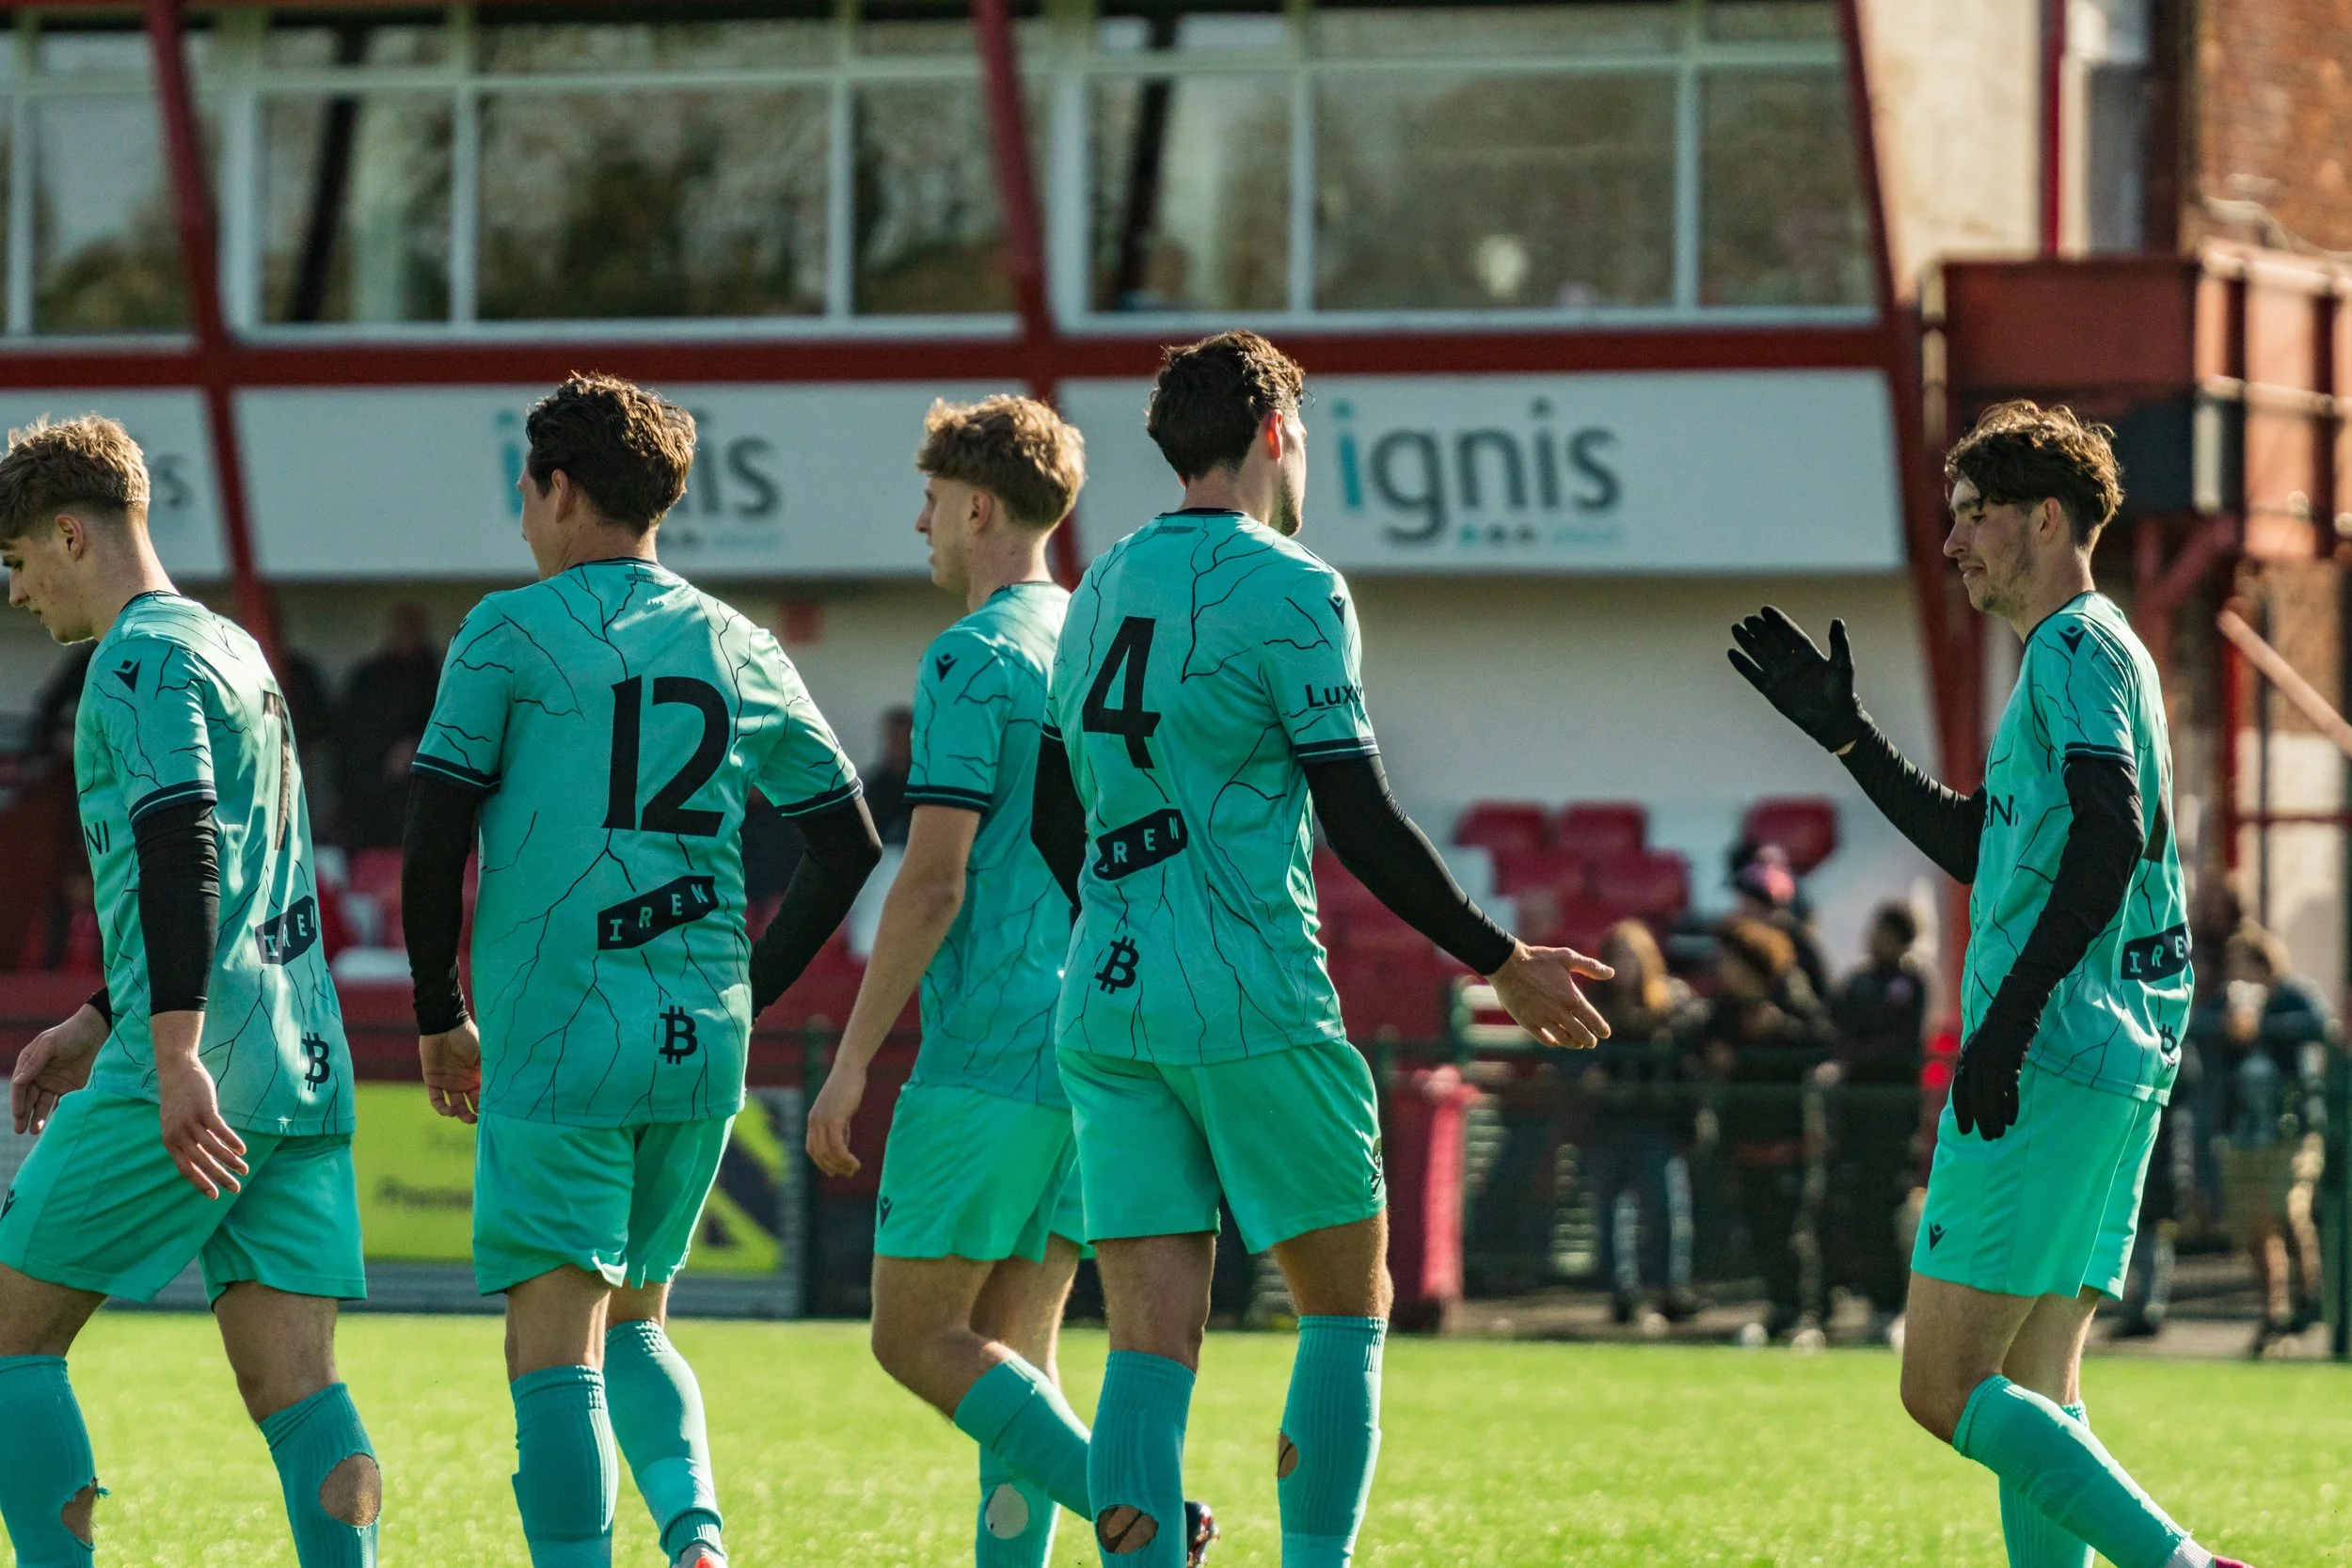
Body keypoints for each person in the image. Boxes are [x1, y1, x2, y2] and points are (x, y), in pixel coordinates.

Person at [1031, 330, 1613, 1567]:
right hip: (1249, 989)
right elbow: (1357, 809)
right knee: (1348, 1302)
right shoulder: (1293, 584)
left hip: (1106, 997)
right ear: (1275, 434)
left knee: (1148, 1335)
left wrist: (1118, 912)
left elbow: (1047, 803)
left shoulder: (1098, 582)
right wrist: (1500, 954)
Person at [1730, 399, 2249, 1568]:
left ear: (2044, 518)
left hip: (2055, 1048)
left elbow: (2106, 838)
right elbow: (1991, 843)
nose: (1954, 542)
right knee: (2032, 1385)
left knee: (1940, 1381)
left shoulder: (2069, 646)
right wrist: (1852, 737)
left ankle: (2179, 1564)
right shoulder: (2101, 647)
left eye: (1973, 515)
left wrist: (2004, 1022)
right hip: (2115, 1051)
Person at [401, 374, 881, 1568]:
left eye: (528, 488)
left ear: (560, 490)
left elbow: (434, 832)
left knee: (552, 1349)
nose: (523, 514)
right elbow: (847, 836)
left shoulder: (505, 632)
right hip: (694, 1040)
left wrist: (436, 1009)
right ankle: (698, 1540)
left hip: (561, 1028)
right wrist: (746, 991)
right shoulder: (735, 638)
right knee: (642, 1324)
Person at [803, 395, 1216, 1567]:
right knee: (1013, 1352)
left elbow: (930, 883)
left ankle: (1143, 1512)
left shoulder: (973, 655)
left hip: (991, 1042)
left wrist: (848, 1063)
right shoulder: (1100, 643)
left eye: (931, 501)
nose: (919, 522)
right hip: (1103, 1034)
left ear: (977, 504)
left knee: (912, 1334)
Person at [0, 415, 380, 1566]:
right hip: (301, 1060)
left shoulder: (133, 659)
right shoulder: (233, 647)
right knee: (298, 1385)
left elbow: (182, 851)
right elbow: (241, 859)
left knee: (11, 1343)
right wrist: (98, 1015)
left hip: (200, 1062)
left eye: (16, 559)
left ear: (71, 533)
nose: (15, 590)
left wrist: (164, 1052)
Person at [2194, 927, 2332, 1352]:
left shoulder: (2292, 996)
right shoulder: (2226, 1003)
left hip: (2289, 1129)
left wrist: (2262, 1028)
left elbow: (2319, 1026)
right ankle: (2274, 1312)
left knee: (2284, 1209)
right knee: (2253, 1227)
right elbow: (2194, 1025)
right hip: (2241, 1134)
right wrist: (2227, 1028)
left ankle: (2310, 1296)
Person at [1703, 914, 1834, 1340]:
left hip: (1792, 1132)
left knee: (1794, 1228)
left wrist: (1780, 1028)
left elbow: (1822, 1040)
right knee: (1761, 1226)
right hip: (1746, 1133)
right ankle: (1779, 1307)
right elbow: (1698, 1039)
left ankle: (1806, 1313)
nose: (1721, 967)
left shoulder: (1790, 995)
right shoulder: (1724, 1009)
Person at [1579, 918, 1702, 1325]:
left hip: (1657, 1119)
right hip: (1610, 1120)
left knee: (1666, 1209)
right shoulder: (1597, 1003)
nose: (1626, 967)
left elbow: (1693, 1045)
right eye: (1618, 957)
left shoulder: (1671, 1002)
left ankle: (1671, 1290)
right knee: (1611, 1213)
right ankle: (1621, 1294)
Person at [1826, 900, 1930, 1326]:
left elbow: (1907, 1043)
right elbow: (1835, 1029)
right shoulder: (1856, 981)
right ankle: (1865, 1291)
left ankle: (1895, 1300)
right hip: (1855, 1113)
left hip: (1892, 1113)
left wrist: (1859, 1057)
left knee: (1890, 1202)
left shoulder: (1913, 982)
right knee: (1857, 1201)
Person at [337, 603, 440, 847]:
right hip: (371, 798)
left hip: (426, 796)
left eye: (413, 630)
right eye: (402, 630)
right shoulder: (368, 678)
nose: (407, 637)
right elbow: (348, 738)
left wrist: (418, 747)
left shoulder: (440, 678)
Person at [863, 705, 918, 847]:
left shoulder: (923, 786)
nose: (899, 743)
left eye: (904, 737)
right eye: (894, 737)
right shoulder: (873, 785)